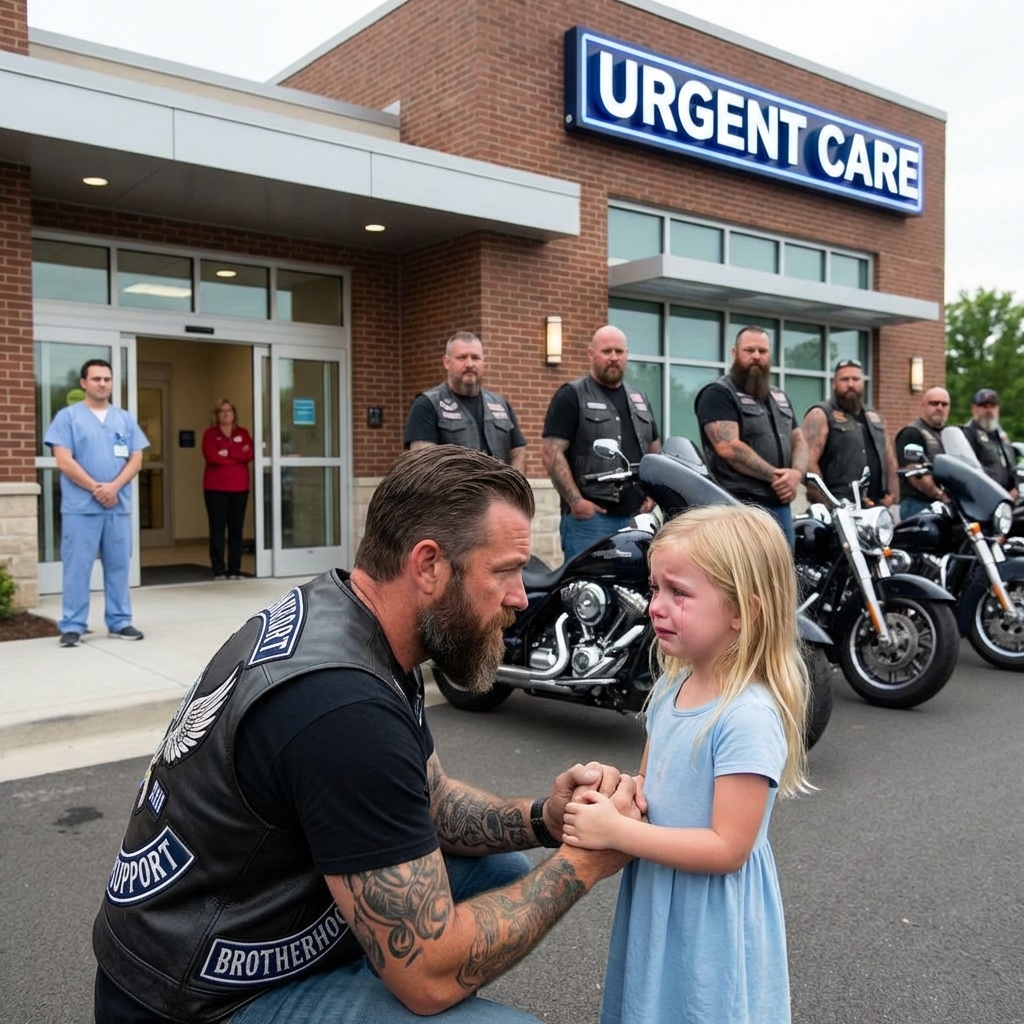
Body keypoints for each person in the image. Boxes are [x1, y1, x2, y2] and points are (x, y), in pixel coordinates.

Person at [93, 445, 640, 1024]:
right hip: (191, 1000)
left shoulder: (354, 615)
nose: (520, 597)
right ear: (428, 566)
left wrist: (544, 820)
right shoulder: (344, 707)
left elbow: (429, 802)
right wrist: (581, 864)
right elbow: (428, 976)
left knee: (498, 873)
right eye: (504, 571)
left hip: (251, 928)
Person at [562, 504, 811, 1024]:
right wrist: (619, 794)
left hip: (709, 914)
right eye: (655, 589)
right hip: (662, 890)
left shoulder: (747, 715)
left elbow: (727, 849)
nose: (656, 606)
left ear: (743, 609)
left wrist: (615, 833)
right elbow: (652, 790)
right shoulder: (672, 685)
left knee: (699, 1004)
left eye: (679, 593)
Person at [43, 358, 149, 648]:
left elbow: (136, 458)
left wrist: (113, 487)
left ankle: (120, 621)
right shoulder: (67, 417)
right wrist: (96, 488)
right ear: (84, 383)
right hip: (81, 508)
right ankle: (73, 626)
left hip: (117, 506)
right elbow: (64, 461)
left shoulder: (124, 419)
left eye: (107, 379)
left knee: (118, 567)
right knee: (77, 568)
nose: (102, 384)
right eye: (96, 379)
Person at [542, 324, 661, 560]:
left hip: (636, 517)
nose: (614, 358)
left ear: (627, 355)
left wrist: (654, 495)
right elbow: (551, 453)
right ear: (591, 354)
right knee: (585, 589)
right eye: (607, 351)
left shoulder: (639, 398)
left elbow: (654, 450)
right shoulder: (571, 395)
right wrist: (576, 502)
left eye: (619, 352)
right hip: (591, 520)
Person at [695, 326, 807, 545]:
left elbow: (799, 439)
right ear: (735, 353)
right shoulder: (718, 394)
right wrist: (778, 478)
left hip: (780, 505)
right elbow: (728, 448)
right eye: (749, 350)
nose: (756, 356)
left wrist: (796, 475)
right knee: (747, 575)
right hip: (738, 507)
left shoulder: (779, 397)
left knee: (783, 572)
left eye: (763, 351)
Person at [404, 330, 527, 471]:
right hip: (452, 492)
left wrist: (513, 489)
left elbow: (518, 452)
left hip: (498, 492)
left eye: (475, 357)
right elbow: (423, 465)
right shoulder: (427, 405)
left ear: (483, 361)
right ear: (446, 362)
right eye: (462, 357)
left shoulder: (501, 405)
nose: (469, 364)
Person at [802, 358, 898, 506]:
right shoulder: (820, 414)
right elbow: (807, 463)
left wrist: (893, 495)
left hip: (875, 509)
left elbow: (889, 459)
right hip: (839, 509)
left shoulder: (874, 417)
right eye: (844, 379)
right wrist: (830, 505)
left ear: (863, 382)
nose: (851, 384)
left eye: (855, 379)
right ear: (834, 383)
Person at [202, 398, 255, 579]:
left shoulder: (243, 432)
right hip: (215, 488)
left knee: (236, 530)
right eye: (222, 411)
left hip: (239, 487)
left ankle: (235, 569)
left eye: (229, 410)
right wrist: (236, 454)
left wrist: (227, 452)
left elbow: (249, 454)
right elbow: (212, 457)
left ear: (234, 414)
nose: (226, 413)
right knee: (217, 529)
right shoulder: (210, 434)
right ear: (217, 415)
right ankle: (219, 569)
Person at [894, 386, 951, 519]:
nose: (939, 408)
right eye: (934, 403)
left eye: (944, 404)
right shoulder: (911, 433)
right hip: (919, 505)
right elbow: (915, 475)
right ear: (923, 405)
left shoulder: (950, 435)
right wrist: (941, 495)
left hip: (947, 505)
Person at [961, 388, 1018, 499]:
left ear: (998, 409)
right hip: (983, 499)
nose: (989, 410)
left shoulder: (1001, 436)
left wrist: (1015, 488)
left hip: (1008, 500)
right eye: (984, 406)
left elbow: (1010, 466)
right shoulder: (967, 434)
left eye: (992, 406)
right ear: (974, 409)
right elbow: (971, 470)